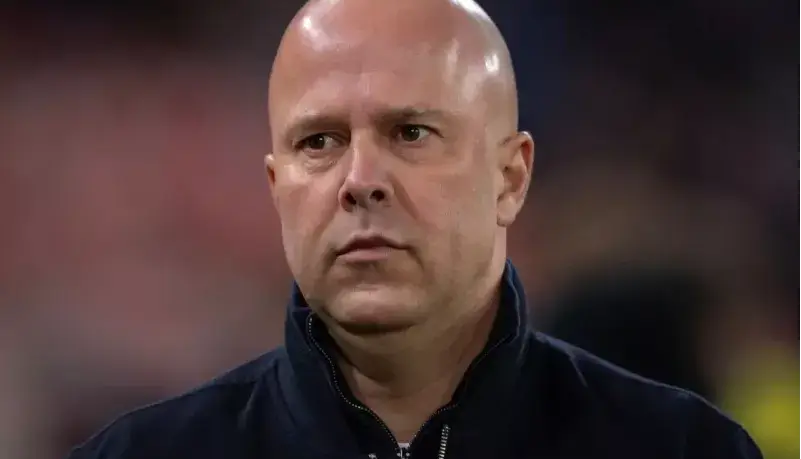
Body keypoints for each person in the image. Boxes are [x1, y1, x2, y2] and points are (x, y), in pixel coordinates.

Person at [68, 0, 762, 458]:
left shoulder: (683, 448)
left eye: (410, 132)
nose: (359, 179)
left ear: (510, 178)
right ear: (277, 189)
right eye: (319, 141)